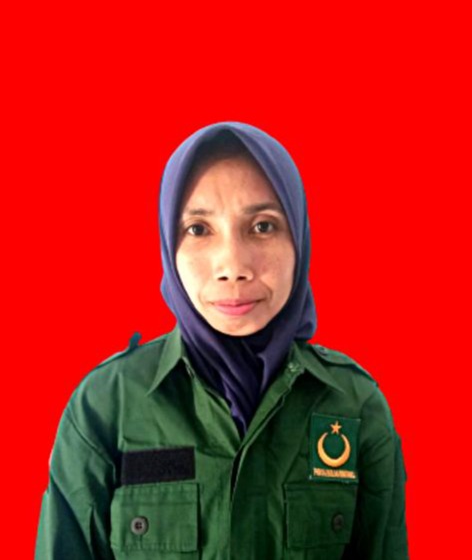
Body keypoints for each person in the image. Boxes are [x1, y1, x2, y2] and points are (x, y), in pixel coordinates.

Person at [35, 121, 409, 559]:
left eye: (263, 226)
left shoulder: (354, 404)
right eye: (198, 229)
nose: (233, 266)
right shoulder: (106, 403)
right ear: (168, 244)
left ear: (300, 238)